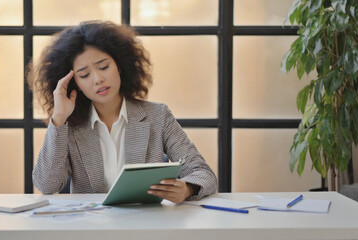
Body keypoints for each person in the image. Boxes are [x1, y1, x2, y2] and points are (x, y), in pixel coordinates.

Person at [29, 20, 217, 203]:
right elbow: (46, 185)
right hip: (90, 229)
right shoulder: (69, 125)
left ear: (119, 65)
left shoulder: (157, 116)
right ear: (74, 83)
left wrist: (187, 188)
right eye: (84, 75)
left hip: (144, 226)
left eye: (104, 67)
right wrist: (59, 118)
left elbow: (203, 173)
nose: (98, 79)